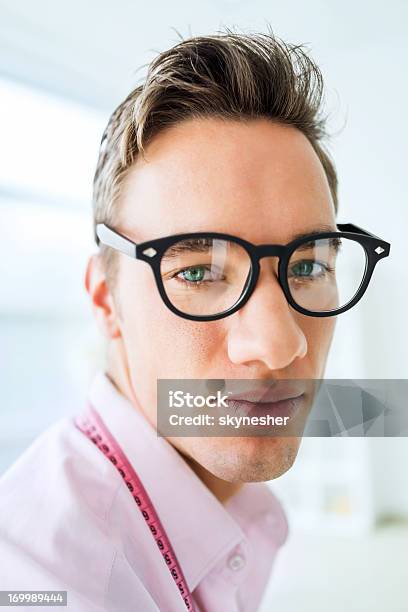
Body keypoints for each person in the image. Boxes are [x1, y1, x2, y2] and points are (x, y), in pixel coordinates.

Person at [0, 27, 390, 612]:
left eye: (307, 265)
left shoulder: (241, 510)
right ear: (106, 299)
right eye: (199, 273)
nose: (279, 346)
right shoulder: (43, 575)